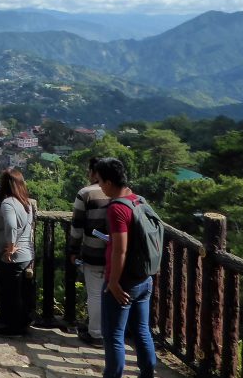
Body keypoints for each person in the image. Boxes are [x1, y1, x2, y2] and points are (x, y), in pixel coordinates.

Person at [94, 157, 157, 378]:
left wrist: (113, 283)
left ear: (110, 182)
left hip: (122, 282)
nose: (100, 186)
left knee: (114, 336)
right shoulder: (138, 200)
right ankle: (148, 374)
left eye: (100, 182)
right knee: (142, 331)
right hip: (144, 278)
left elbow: (120, 249)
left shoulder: (117, 209)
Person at [68, 157, 110, 346]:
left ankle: (96, 333)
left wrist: (73, 249)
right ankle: (108, 329)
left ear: (94, 172)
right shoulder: (119, 192)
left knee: (94, 293)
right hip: (117, 251)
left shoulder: (85, 193)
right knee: (111, 292)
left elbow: (77, 226)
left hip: (93, 250)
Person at [0, 168, 35, 337]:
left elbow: (11, 225)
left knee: (12, 293)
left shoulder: (8, 203)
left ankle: (14, 328)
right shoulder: (26, 202)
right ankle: (21, 323)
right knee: (19, 292)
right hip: (26, 253)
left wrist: (10, 247)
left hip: (14, 256)